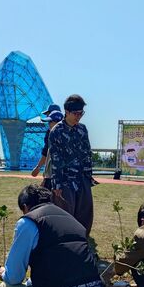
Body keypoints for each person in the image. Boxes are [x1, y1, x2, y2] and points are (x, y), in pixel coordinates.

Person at [48, 94, 95, 235]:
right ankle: (67, 243)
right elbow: (55, 160)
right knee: (66, 214)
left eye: (81, 113)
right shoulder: (56, 132)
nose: (79, 117)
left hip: (82, 179)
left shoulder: (82, 129)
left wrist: (88, 177)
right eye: (76, 113)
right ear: (66, 112)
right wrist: (57, 185)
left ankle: (82, 241)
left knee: (85, 214)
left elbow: (87, 153)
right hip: (65, 181)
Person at [30, 103, 63, 189]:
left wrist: (38, 168)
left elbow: (46, 153)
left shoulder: (52, 133)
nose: (48, 122)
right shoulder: (68, 131)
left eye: (48, 114)